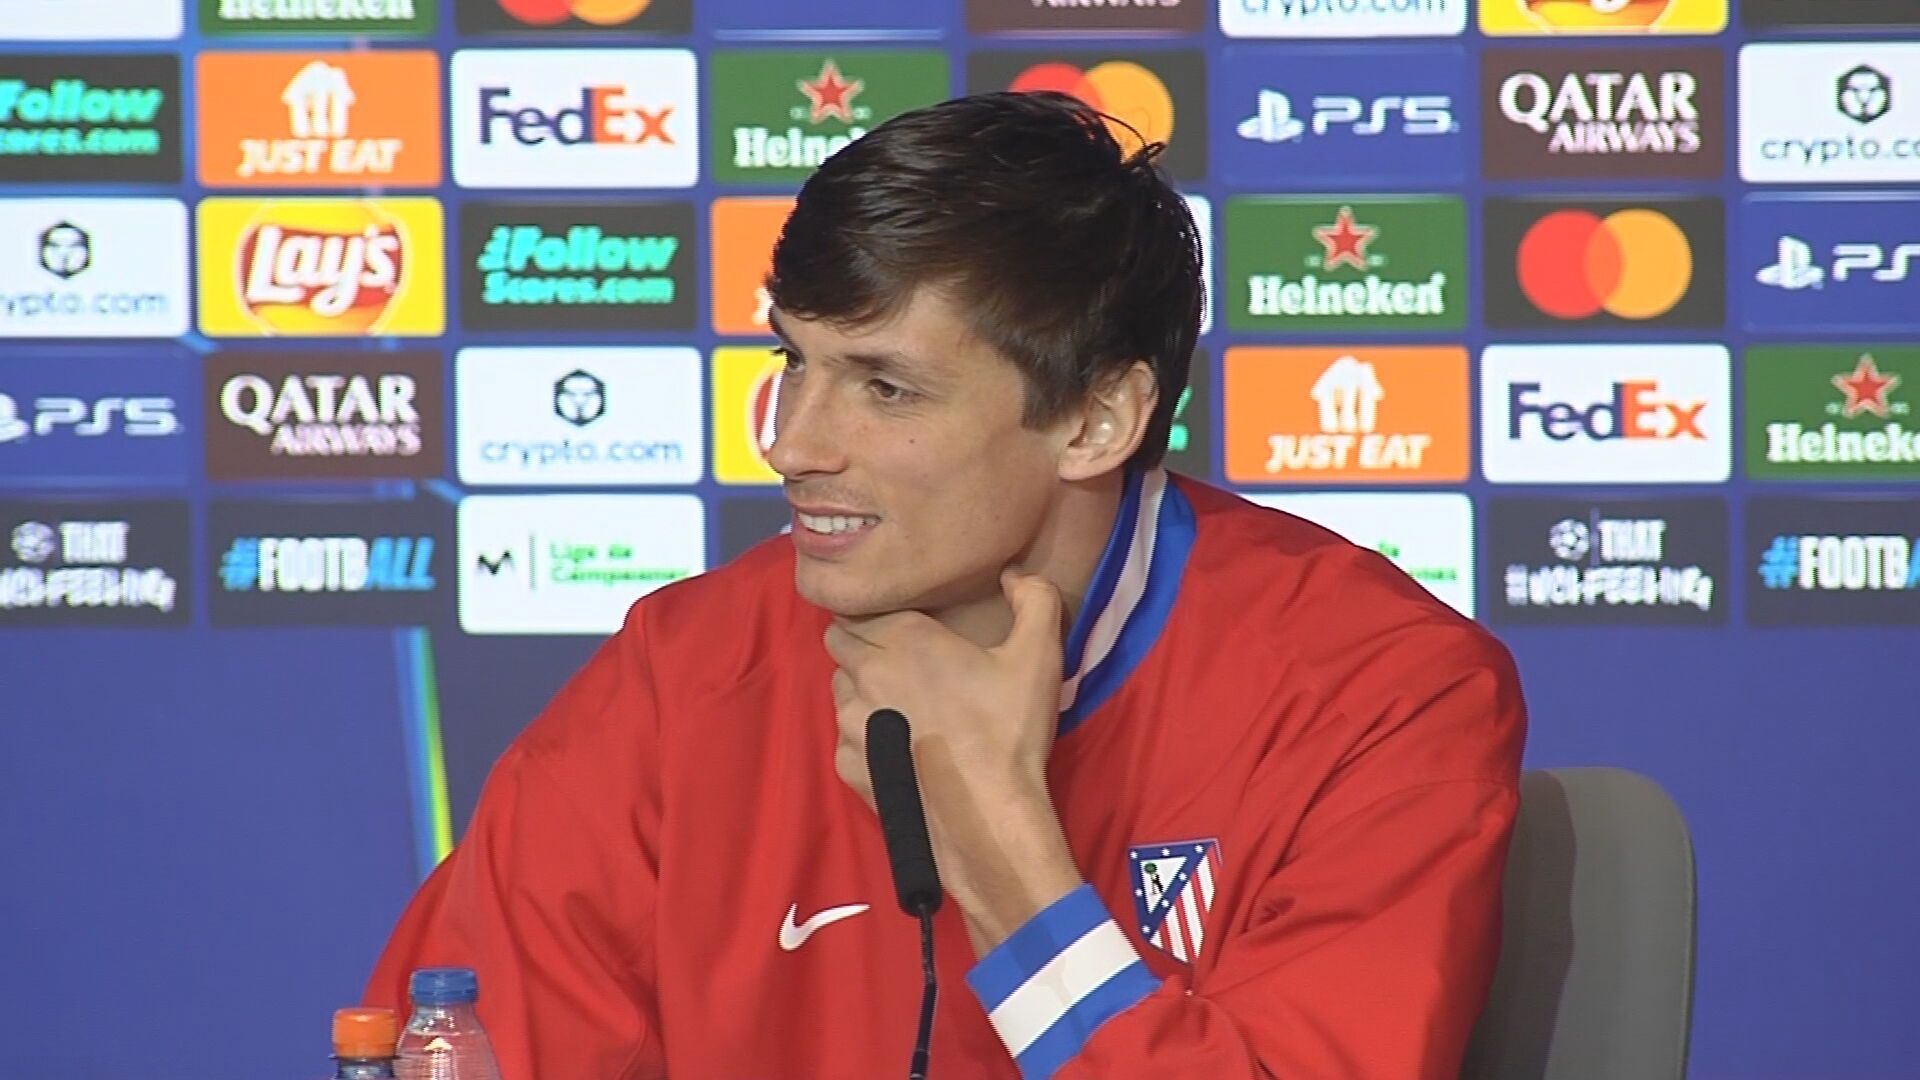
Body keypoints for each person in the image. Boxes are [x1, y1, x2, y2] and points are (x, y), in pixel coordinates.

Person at [364, 90, 1527, 1079]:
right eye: (794, 363)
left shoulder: (1381, 693)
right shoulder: (684, 670)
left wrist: (1002, 849)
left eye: (886, 388)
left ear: (1095, 417)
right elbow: (456, 1036)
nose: (792, 442)